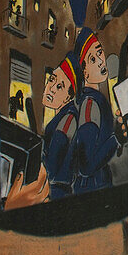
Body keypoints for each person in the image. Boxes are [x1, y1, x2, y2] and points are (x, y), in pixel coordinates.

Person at [73, 27, 119, 193]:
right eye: (92, 59)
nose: (100, 61)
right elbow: (85, 166)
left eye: (99, 53)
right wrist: (116, 139)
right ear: (84, 72)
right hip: (93, 188)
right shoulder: (90, 105)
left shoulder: (95, 100)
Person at [41, 53, 80, 200]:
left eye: (60, 87)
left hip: (56, 194)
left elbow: (51, 166)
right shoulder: (62, 118)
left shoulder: (68, 120)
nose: (51, 88)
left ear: (69, 97)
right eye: (51, 80)